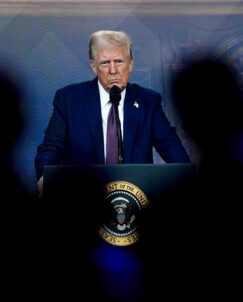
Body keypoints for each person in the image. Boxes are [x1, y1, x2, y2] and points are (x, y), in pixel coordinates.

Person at [34, 30, 190, 190]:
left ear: (130, 64)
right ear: (93, 66)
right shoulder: (69, 99)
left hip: (134, 197)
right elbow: (51, 147)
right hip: (84, 194)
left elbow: (171, 148)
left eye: (119, 61)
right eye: (105, 63)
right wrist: (44, 180)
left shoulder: (147, 102)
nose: (113, 70)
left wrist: (187, 178)